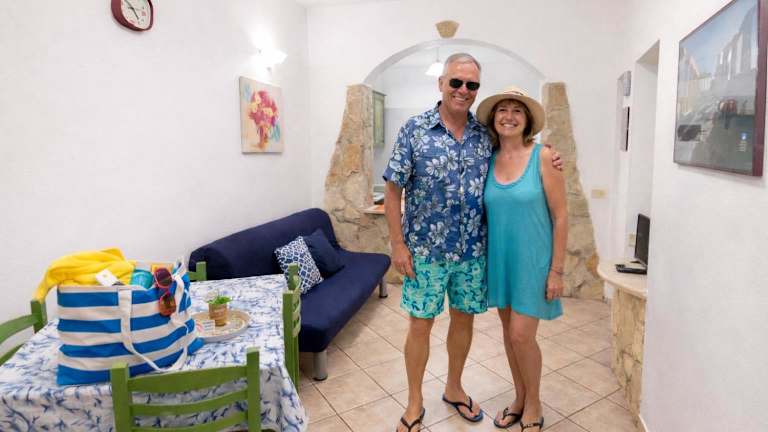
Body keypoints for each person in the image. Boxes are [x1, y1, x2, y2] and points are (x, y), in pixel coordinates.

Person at [382, 54, 561, 432]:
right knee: (420, 326)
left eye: (472, 85)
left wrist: (549, 153)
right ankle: (414, 403)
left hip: (472, 253)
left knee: (463, 323)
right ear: (441, 84)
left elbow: (519, 148)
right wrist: (397, 244)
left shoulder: (485, 136)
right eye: (456, 82)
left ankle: (454, 388)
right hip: (425, 252)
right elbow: (393, 188)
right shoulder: (414, 130)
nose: (463, 90)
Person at [475, 86, 568, 432]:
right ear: (493, 119)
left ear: (527, 120)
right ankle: (519, 397)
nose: (509, 116)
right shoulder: (488, 160)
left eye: (517, 110)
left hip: (533, 263)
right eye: (503, 110)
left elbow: (561, 216)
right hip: (500, 262)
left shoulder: (544, 157)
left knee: (521, 336)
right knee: (508, 334)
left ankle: (534, 403)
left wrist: (556, 271)